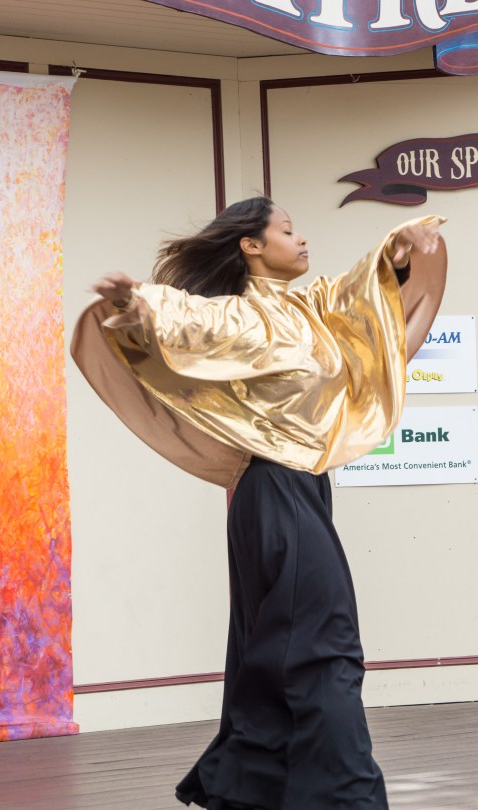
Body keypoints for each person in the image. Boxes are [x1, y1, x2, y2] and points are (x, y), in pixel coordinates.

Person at [72, 197, 446, 810]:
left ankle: (249, 791)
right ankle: (347, 798)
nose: (301, 240)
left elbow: (359, 298)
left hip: (299, 490)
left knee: (275, 647)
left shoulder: (310, 306)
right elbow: (183, 319)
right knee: (324, 645)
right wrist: (132, 305)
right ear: (251, 245)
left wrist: (395, 256)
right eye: (288, 230)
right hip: (274, 490)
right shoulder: (236, 316)